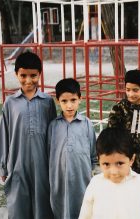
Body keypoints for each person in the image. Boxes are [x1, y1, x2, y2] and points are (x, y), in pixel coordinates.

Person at [0, 51, 56, 219]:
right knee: (18, 204)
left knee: (42, 204)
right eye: (23, 75)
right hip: (17, 162)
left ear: (39, 74)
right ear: (17, 74)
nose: (28, 80)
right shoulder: (10, 102)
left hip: (42, 163)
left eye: (33, 75)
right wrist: (3, 166)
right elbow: (4, 135)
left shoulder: (47, 102)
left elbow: (53, 135)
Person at [47, 78, 98, 219]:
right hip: (59, 176)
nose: (69, 106)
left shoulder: (86, 123)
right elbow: (49, 153)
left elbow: (93, 150)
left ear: (80, 99)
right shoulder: (53, 126)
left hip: (82, 175)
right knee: (61, 205)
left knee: (82, 205)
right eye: (64, 101)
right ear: (58, 101)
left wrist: (91, 169)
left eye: (73, 100)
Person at [107, 69, 140, 183]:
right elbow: (112, 132)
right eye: (128, 90)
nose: (130, 94)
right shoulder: (119, 108)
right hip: (124, 154)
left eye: (135, 90)